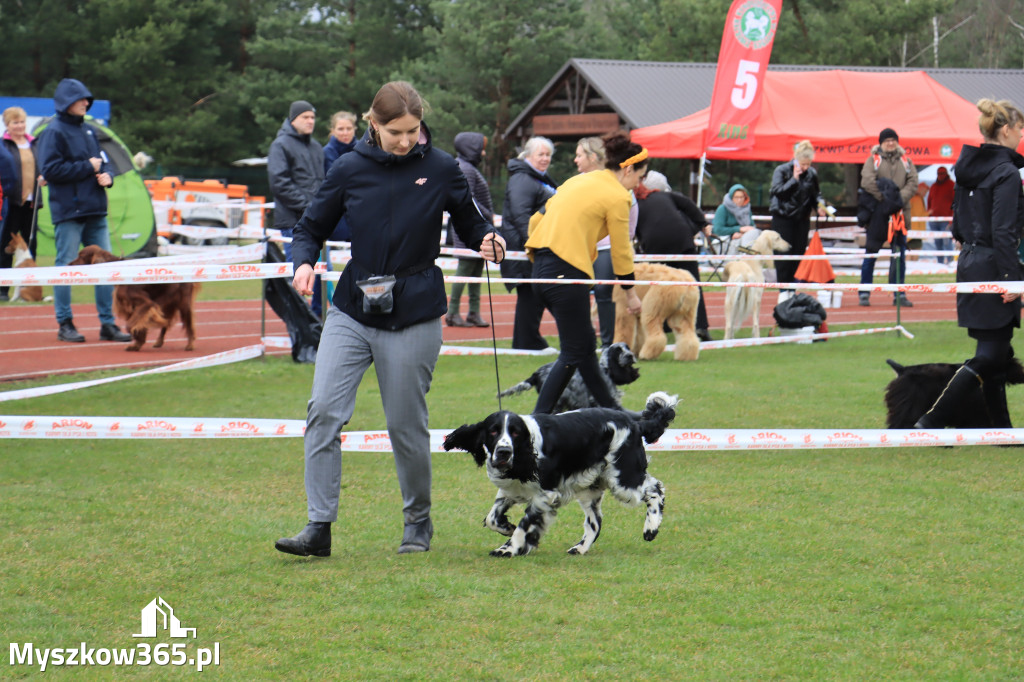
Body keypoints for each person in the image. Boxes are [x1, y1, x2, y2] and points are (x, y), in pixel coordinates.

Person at [275, 81, 505, 557]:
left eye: (413, 131)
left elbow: (472, 220)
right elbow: (310, 226)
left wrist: (489, 239)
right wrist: (302, 262)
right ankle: (319, 527)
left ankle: (417, 523)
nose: (406, 141)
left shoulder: (442, 168)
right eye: (396, 131)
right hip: (353, 310)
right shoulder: (348, 169)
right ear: (372, 124)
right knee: (322, 412)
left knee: (405, 425)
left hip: (415, 311)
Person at [915, 98, 1024, 430]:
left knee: (997, 353)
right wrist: (1011, 279)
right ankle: (931, 420)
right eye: (1020, 129)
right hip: (996, 265)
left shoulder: (965, 168)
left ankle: (1001, 430)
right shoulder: (1005, 172)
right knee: (989, 355)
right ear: (1006, 130)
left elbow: (957, 225)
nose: (1021, 135)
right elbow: (1004, 230)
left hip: (971, 262)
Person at [525, 130, 644, 414]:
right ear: (627, 169)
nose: (639, 184)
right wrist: (631, 295)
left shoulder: (578, 181)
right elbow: (621, 252)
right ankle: (537, 421)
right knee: (574, 352)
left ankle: (614, 412)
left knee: (584, 348)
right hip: (565, 273)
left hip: (542, 270)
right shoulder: (619, 196)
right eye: (640, 177)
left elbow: (535, 219)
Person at [36, 78, 131, 343]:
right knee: (65, 266)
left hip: (96, 210)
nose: (86, 103)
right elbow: (50, 170)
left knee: (105, 267)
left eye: (87, 99)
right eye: (80, 99)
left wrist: (108, 176)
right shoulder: (53, 132)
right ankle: (65, 323)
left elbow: (104, 162)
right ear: (67, 103)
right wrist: (87, 168)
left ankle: (107, 324)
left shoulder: (89, 130)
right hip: (69, 211)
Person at [635, 170, 713, 342]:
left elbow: (634, 230)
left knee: (662, 287)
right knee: (693, 285)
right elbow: (688, 205)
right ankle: (700, 327)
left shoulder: (634, 203)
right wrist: (703, 223)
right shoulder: (665, 196)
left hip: (657, 245)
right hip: (682, 240)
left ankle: (661, 326)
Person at [501, 136, 557, 350]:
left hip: (532, 247)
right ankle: (527, 342)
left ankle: (527, 341)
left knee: (534, 295)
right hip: (524, 249)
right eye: (540, 154)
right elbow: (520, 215)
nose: (545, 159)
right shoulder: (523, 180)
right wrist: (532, 244)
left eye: (548, 155)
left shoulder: (538, 178)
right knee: (530, 295)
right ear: (528, 156)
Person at [859, 127, 918, 307]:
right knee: (870, 255)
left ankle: (898, 293)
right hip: (878, 215)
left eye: (893, 140)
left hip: (899, 215)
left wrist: (898, 199)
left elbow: (913, 182)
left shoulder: (906, 161)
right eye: (886, 141)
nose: (890, 143)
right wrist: (885, 199)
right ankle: (864, 292)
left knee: (899, 256)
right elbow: (867, 181)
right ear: (881, 143)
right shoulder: (873, 160)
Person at [310, 111, 358, 318]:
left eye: (349, 128)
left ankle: (362, 306)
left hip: (358, 216)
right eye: (340, 129)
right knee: (322, 267)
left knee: (362, 264)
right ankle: (318, 311)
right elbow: (331, 186)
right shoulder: (325, 153)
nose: (345, 132)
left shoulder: (363, 150)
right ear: (332, 130)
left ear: (355, 129)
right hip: (335, 218)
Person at [446, 131, 494, 328]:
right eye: (480, 148)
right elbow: (468, 198)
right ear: (471, 148)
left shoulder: (469, 168)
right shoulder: (465, 168)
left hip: (477, 229)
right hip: (468, 231)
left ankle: (474, 312)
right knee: (464, 270)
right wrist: (488, 215)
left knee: (476, 272)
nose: (483, 153)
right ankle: (452, 312)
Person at [267, 100, 324, 262]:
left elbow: (323, 183)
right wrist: (307, 207)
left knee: (322, 272)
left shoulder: (316, 147)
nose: (310, 121)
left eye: (313, 117)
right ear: (293, 119)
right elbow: (279, 183)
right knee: (300, 272)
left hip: (316, 222)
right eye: (305, 117)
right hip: (293, 223)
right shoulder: (280, 145)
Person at [769, 140, 827, 287]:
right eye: (803, 164)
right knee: (783, 255)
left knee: (798, 253)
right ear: (796, 159)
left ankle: (793, 288)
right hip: (783, 218)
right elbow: (778, 192)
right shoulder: (781, 170)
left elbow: (816, 194)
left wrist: (820, 205)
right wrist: (794, 179)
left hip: (802, 219)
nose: (805, 167)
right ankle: (783, 289)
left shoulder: (811, 174)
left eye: (808, 164)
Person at [1, 107, 39, 301]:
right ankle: (3, 289)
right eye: (15, 122)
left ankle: (28, 288)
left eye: (22, 122)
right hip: (11, 201)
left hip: (32, 203)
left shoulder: (33, 144)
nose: (19, 126)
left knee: (31, 244)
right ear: (7, 125)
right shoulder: (3, 145)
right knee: (7, 245)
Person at [712, 184, 760, 254]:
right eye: (736, 197)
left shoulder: (747, 210)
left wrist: (742, 234)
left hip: (742, 241)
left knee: (757, 235)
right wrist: (738, 230)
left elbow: (751, 228)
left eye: (741, 197)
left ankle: (753, 258)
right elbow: (717, 230)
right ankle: (747, 258)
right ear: (731, 197)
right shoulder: (723, 209)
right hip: (724, 244)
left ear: (746, 197)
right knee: (748, 249)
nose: (739, 200)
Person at [927, 166, 955, 264]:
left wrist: (951, 219)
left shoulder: (951, 185)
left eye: (942, 173)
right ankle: (940, 263)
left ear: (946, 173)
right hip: (934, 220)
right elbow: (929, 201)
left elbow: (955, 203)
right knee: (937, 242)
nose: (940, 175)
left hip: (946, 220)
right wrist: (929, 215)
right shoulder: (934, 186)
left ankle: (950, 261)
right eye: (939, 173)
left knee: (947, 241)